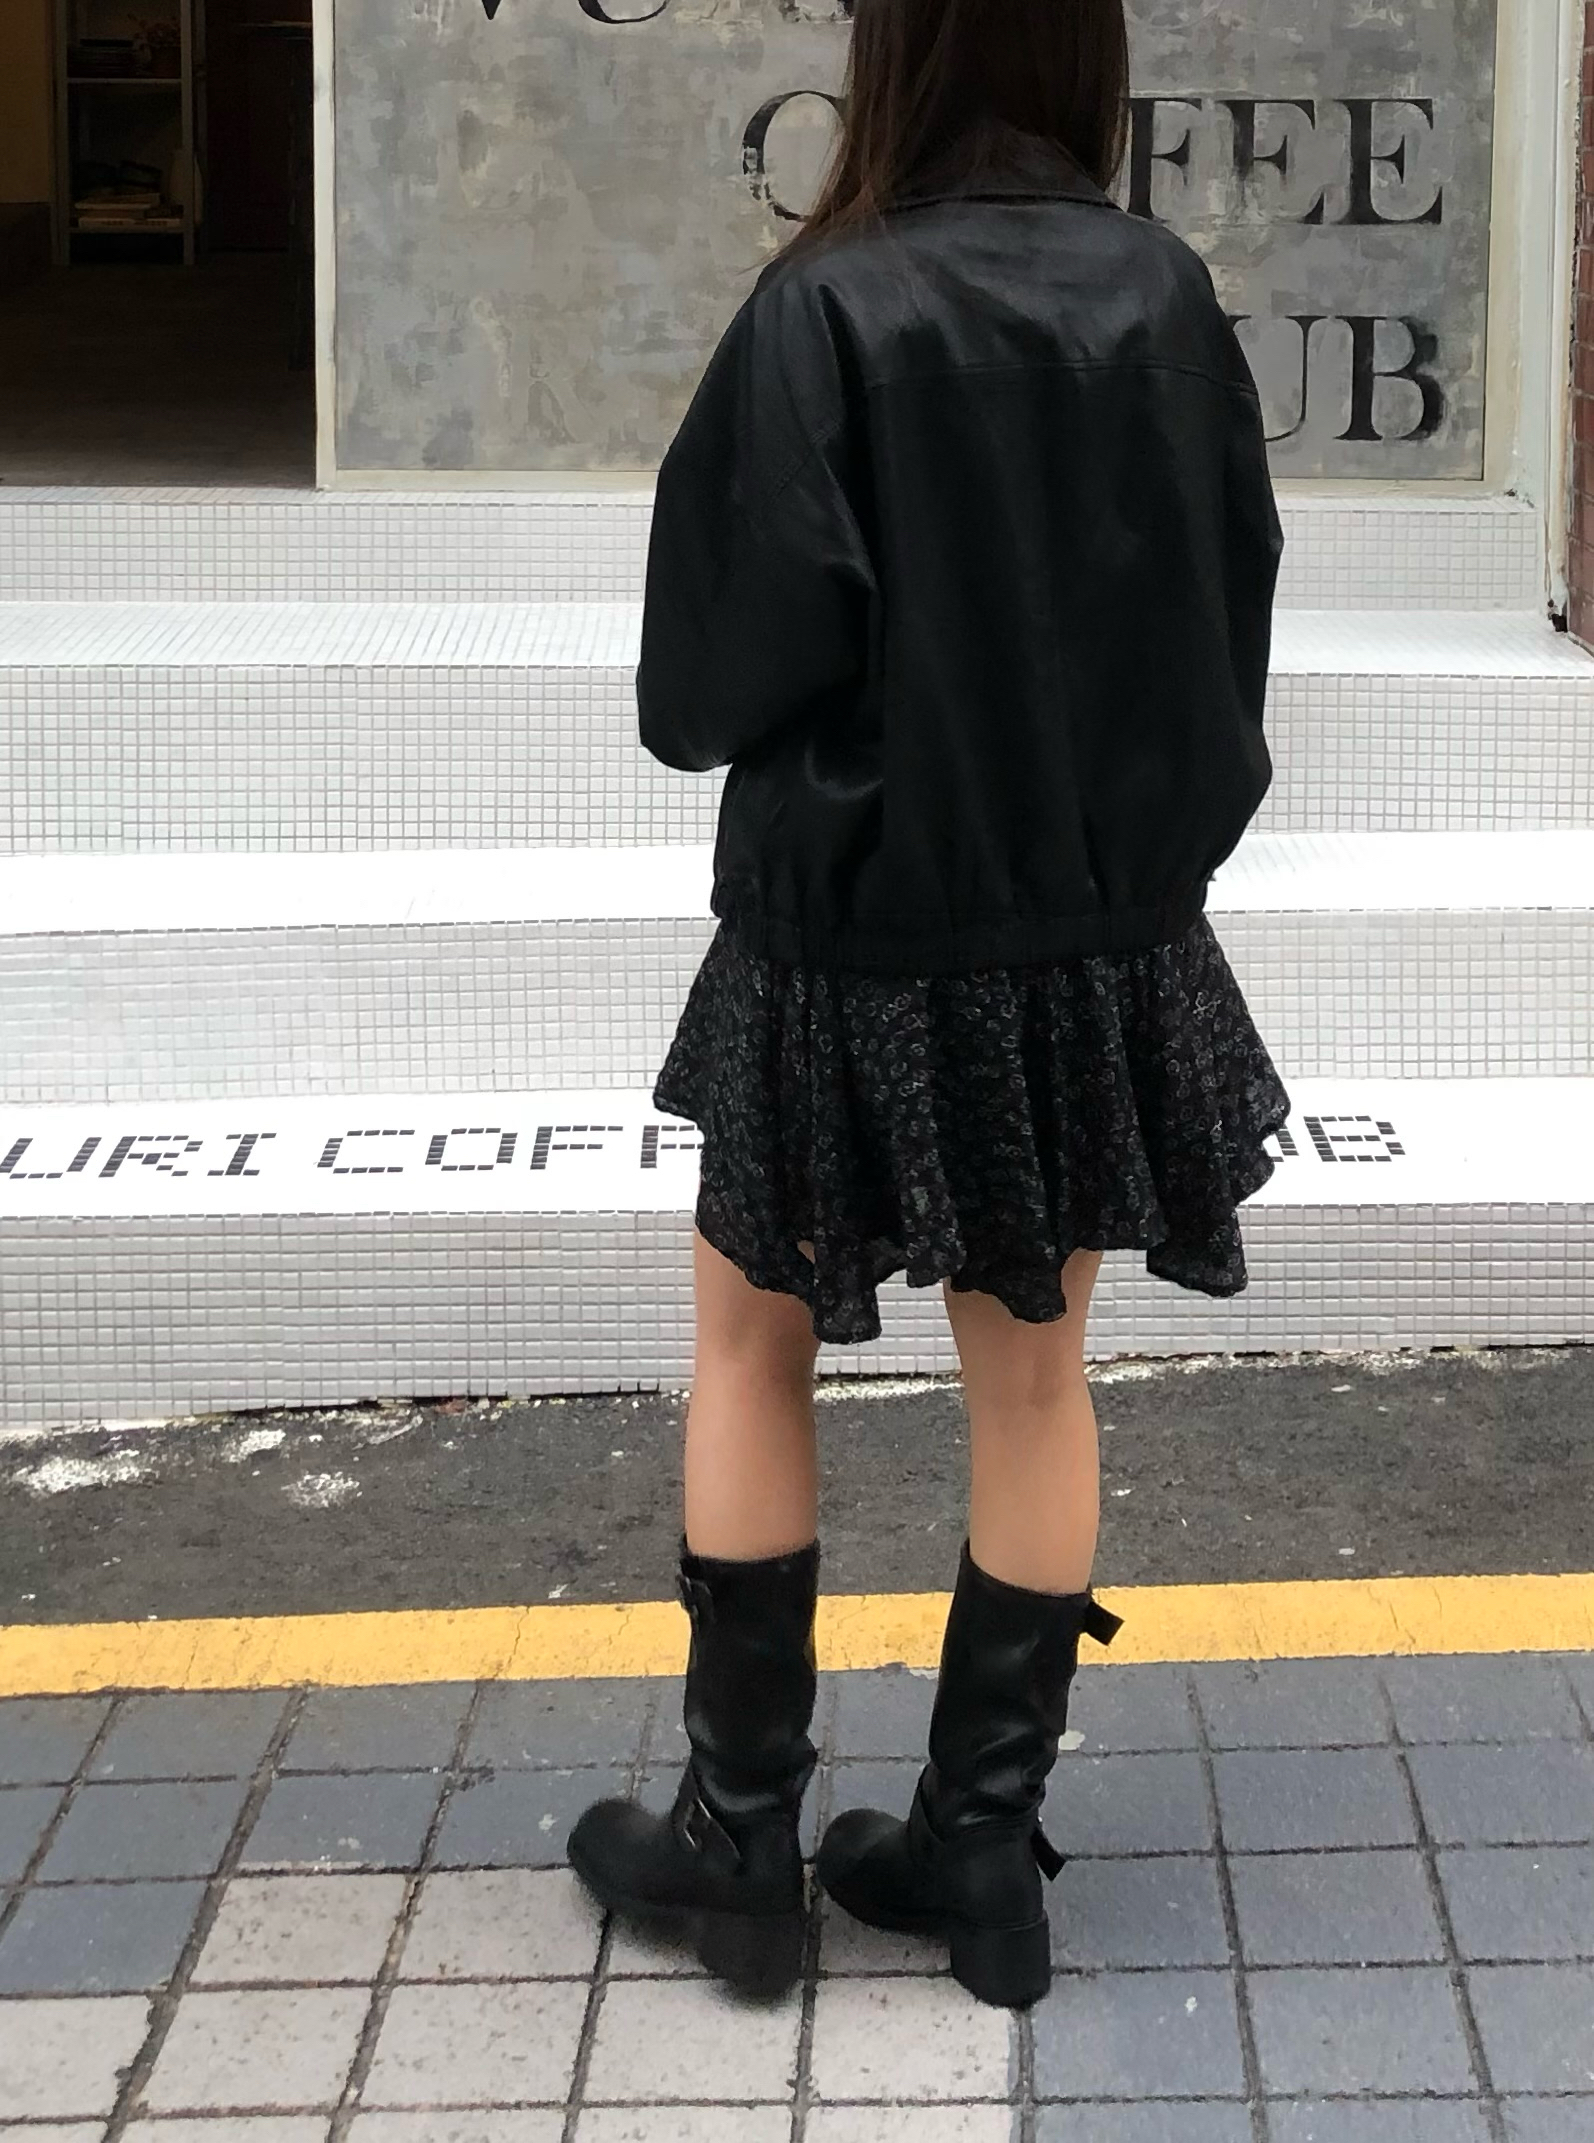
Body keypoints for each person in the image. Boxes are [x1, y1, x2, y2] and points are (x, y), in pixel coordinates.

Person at [568, 0, 1289, 2008]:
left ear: (892, 50)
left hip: (848, 945)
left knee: (749, 1346)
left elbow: (705, 686)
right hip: (1087, 943)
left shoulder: (823, 306)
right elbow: (1222, 620)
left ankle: (737, 1849)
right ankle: (980, 1857)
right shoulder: (1161, 295)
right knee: (1035, 1381)